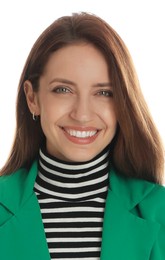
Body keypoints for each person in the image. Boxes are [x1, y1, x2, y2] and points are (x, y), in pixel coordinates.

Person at [0, 12, 165, 260]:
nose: (82, 114)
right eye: (63, 90)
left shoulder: (159, 211)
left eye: (104, 93)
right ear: (32, 98)